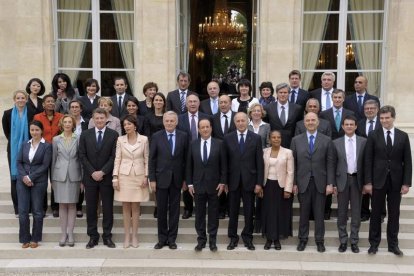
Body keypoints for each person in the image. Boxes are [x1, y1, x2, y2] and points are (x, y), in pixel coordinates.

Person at [364, 106, 412, 256]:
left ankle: (393, 245)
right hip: (378, 181)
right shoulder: (373, 135)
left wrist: (406, 183)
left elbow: (408, 162)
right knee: (376, 213)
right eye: (382, 118)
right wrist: (368, 182)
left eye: (387, 118)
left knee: (394, 214)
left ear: (393, 118)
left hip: (396, 182)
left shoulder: (403, 136)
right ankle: (374, 244)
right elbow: (368, 160)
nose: (384, 121)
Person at [290, 112, 335, 253]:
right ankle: (302, 239)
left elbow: (330, 163)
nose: (310, 122)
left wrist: (330, 183)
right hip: (303, 182)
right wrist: (294, 183)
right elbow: (293, 164)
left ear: (318, 123)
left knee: (319, 214)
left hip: (320, 182)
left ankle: (319, 240)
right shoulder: (296, 140)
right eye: (308, 120)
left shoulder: (327, 140)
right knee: (303, 213)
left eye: (313, 120)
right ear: (304, 123)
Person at [79, 108, 119, 249]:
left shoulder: (113, 135)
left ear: (106, 119)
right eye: (97, 118)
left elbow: (114, 156)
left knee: (108, 208)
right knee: (91, 209)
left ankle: (107, 236)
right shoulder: (85, 135)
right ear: (93, 119)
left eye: (102, 118)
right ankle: (93, 237)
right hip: (90, 179)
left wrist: (102, 172)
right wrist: (92, 172)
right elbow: (82, 156)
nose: (99, 121)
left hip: (106, 178)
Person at [224, 112, 264, 251]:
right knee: (233, 212)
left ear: (248, 121)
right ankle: (233, 238)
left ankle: (248, 238)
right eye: (238, 121)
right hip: (233, 182)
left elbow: (259, 162)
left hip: (250, 182)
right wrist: (224, 182)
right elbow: (225, 162)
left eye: (243, 120)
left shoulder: (256, 138)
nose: (241, 123)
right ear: (235, 123)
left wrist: (259, 183)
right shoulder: (228, 138)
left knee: (248, 212)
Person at [149, 111, 189, 250]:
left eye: (172, 121)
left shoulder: (183, 136)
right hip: (160, 179)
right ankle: (162, 239)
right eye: (167, 121)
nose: (169, 123)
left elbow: (186, 160)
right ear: (163, 122)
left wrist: (185, 179)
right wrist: (152, 179)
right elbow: (152, 159)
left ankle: (172, 239)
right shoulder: (156, 136)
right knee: (161, 210)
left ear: (176, 122)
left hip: (177, 179)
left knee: (174, 210)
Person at [186, 118, 227, 252]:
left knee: (214, 214)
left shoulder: (219, 144)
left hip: (215, 186)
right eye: (202, 127)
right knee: (199, 215)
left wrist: (222, 182)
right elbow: (189, 166)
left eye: (207, 127)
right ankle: (201, 240)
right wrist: (190, 184)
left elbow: (224, 166)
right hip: (198, 185)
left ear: (211, 128)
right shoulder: (193, 144)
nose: (205, 129)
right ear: (198, 129)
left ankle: (213, 241)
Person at [113, 115, 150, 248]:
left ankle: (135, 236)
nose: (127, 127)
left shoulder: (144, 139)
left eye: (129, 124)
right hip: (124, 176)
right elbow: (117, 159)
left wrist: (146, 176)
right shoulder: (120, 139)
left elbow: (147, 159)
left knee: (136, 207)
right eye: (125, 125)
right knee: (125, 207)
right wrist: (115, 177)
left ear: (135, 125)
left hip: (139, 177)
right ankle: (126, 236)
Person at [332, 115, 366, 254]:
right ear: (343, 126)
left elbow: (367, 163)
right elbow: (332, 164)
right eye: (347, 124)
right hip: (342, 180)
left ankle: (354, 241)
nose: (349, 126)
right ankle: (343, 241)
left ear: (356, 126)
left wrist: (367, 182)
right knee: (342, 212)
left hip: (357, 180)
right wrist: (332, 183)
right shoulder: (336, 142)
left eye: (352, 124)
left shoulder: (364, 142)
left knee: (356, 212)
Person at [319, 89, 355, 220]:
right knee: (329, 178)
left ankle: (345, 212)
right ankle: (326, 210)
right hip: (329, 149)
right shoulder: (324, 114)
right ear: (332, 98)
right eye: (335, 97)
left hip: (347, 149)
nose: (337, 99)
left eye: (340, 97)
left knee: (343, 180)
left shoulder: (350, 113)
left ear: (343, 99)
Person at [16, 120, 52, 248]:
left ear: (41, 131)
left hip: (39, 181)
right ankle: (25, 238)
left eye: (37, 130)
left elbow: (45, 165)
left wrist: (31, 177)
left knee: (37, 211)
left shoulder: (47, 146)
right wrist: (24, 177)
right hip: (22, 181)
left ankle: (35, 238)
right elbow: (19, 162)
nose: (34, 132)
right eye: (32, 130)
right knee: (23, 211)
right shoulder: (25, 144)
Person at [51, 115, 82, 247]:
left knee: (73, 205)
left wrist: (82, 179)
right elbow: (53, 160)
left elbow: (81, 159)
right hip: (60, 175)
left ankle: (71, 233)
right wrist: (52, 178)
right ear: (61, 124)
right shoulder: (56, 139)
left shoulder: (79, 138)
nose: (68, 124)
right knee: (62, 205)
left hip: (75, 175)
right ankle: (63, 233)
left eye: (70, 122)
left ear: (73, 124)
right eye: (65, 122)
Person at [177, 94, 210, 219]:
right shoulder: (180, 119)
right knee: (187, 181)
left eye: (195, 101)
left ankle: (201, 207)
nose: (192, 104)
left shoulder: (206, 117)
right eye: (190, 101)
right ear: (186, 104)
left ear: (199, 103)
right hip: (186, 155)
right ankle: (188, 208)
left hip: (203, 153)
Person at [262, 130, 294, 250]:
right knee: (269, 213)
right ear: (269, 139)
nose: (276, 139)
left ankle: (277, 239)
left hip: (281, 187)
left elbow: (290, 172)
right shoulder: (264, 152)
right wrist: (260, 185)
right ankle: (269, 239)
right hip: (267, 185)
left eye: (278, 137)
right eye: (273, 137)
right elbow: (261, 170)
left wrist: (288, 189)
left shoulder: (288, 152)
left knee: (279, 213)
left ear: (281, 139)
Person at [2, 90, 32, 217]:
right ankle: (17, 208)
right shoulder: (7, 113)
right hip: (13, 150)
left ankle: (28, 207)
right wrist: (16, 143)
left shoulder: (31, 112)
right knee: (15, 179)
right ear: (14, 99)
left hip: (29, 149)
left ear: (26, 99)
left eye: (23, 98)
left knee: (28, 176)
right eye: (18, 98)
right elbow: (7, 132)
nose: (20, 100)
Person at [33, 94, 64, 217]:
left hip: (57, 151)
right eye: (48, 101)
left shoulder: (61, 117)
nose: (51, 103)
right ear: (43, 104)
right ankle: (42, 207)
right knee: (42, 180)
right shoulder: (37, 117)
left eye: (52, 101)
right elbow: (34, 133)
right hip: (42, 151)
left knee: (55, 179)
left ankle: (56, 206)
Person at [356, 99, 384, 222]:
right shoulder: (360, 123)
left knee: (379, 187)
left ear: (377, 110)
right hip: (363, 160)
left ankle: (380, 213)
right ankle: (364, 212)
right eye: (367, 108)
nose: (369, 110)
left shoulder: (382, 123)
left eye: (372, 108)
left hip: (379, 161)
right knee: (364, 186)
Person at [212, 94, 236, 219]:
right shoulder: (213, 118)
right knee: (220, 180)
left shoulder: (238, 117)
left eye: (225, 102)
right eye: (220, 102)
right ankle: (221, 209)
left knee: (232, 181)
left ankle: (231, 208)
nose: (223, 104)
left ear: (230, 103)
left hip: (234, 154)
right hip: (218, 155)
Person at [264, 82, 302, 148]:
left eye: (285, 92)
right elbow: (266, 126)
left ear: (289, 94)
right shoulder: (268, 108)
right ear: (277, 93)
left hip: (292, 144)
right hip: (273, 144)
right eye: (280, 92)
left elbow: (299, 126)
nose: (283, 95)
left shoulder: (297, 108)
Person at [68, 99, 88, 218]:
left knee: (81, 179)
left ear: (81, 109)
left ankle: (79, 206)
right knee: (71, 180)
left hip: (84, 154)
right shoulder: (66, 122)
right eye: (72, 107)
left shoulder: (86, 122)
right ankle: (71, 204)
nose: (74, 109)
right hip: (70, 154)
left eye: (77, 107)